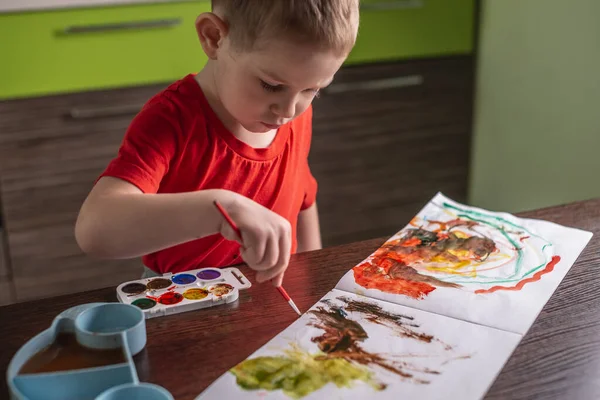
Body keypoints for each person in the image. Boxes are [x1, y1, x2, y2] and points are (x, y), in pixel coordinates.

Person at [75, 0, 360, 287]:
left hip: (270, 298)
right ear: (214, 37)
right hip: (183, 299)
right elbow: (94, 233)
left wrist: (313, 282)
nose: (288, 110)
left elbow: (302, 195)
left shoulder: (296, 113)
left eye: (313, 89)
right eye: (271, 85)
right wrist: (221, 209)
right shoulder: (171, 120)